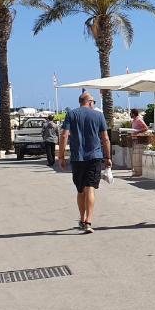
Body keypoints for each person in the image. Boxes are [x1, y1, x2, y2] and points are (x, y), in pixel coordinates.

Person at [58, 92, 111, 234]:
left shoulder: (71, 114)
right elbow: (105, 138)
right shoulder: (98, 115)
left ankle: (82, 219)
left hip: (77, 158)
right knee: (90, 188)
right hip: (95, 156)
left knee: (80, 189)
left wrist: (61, 156)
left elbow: (64, 135)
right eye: (94, 102)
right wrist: (108, 157)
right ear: (90, 102)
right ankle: (88, 221)